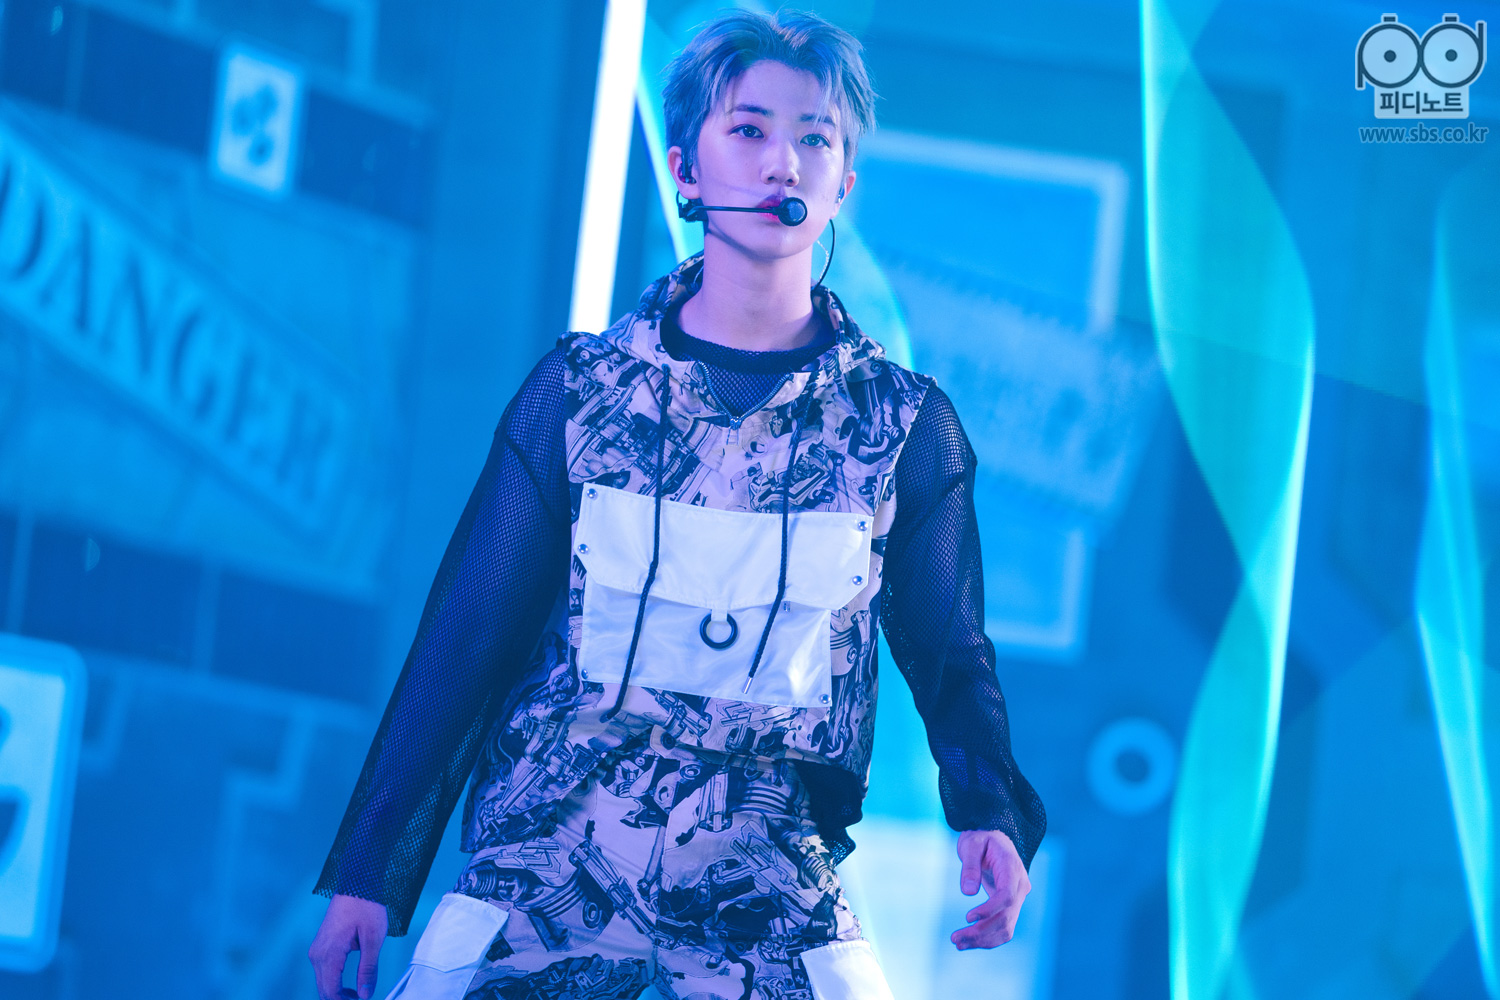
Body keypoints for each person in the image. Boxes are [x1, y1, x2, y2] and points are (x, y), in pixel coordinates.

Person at [308, 10, 1045, 1000]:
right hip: (548, 855)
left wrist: (989, 808)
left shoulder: (901, 426)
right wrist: (370, 869)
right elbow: (467, 635)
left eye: (815, 137)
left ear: (842, 184)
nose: (783, 161)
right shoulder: (581, 393)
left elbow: (951, 650)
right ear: (685, 171)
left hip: (767, 873)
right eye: (749, 130)